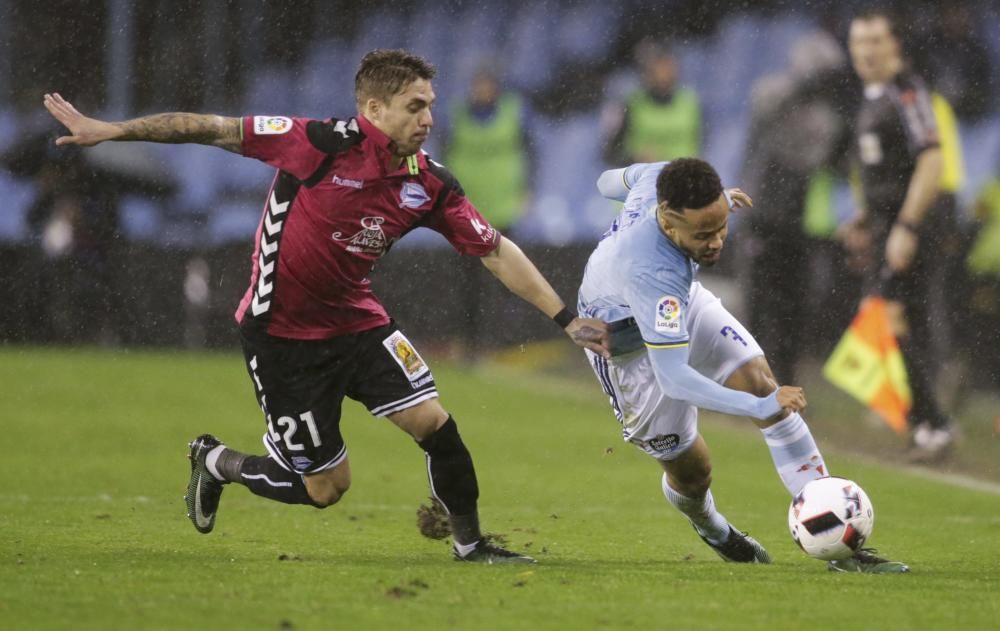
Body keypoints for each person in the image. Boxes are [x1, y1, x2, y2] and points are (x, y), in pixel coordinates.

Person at [43, 49, 608, 565]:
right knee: (326, 489)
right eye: (415, 107)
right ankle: (217, 462)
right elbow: (208, 128)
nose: (429, 120)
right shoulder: (315, 142)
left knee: (435, 423)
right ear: (373, 108)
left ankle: (470, 544)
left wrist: (565, 318)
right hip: (282, 336)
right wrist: (111, 130)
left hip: (360, 323)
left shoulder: (428, 182)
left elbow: (497, 251)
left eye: (431, 107)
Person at [578, 158, 908, 573]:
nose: (716, 242)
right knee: (694, 473)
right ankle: (712, 528)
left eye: (721, 227)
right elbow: (674, 377)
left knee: (759, 380)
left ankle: (838, 544)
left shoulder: (658, 180)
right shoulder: (653, 271)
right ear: (666, 219)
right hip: (627, 349)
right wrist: (758, 408)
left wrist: (715, 208)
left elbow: (605, 180)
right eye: (703, 234)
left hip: (679, 306)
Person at [842, 9, 955, 458]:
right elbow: (889, 173)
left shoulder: (906, 92)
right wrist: (867, 219)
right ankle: (924, 422)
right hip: (889, 224)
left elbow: (932, 161)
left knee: (890, 318)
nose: (866, 51)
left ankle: (935, 423)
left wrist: (905, 227)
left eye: (875, 41)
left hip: (914, 225)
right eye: (859, 42)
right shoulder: (873, 97)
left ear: (895, 46)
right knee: (890, 319)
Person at [739, 31, 855, 384]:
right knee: (759, 304)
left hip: (802, 224)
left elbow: (837, 162)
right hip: (763, 216)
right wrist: (800, 87)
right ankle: (754, 380)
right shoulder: (773, 92)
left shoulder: (830, 116)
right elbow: (763, 112)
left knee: (797, 307)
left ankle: (785, 380)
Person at [441, 66, 534, 358]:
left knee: (508, 276)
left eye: (486, 84)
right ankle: (470, 340)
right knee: (468, 280)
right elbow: (443, 157)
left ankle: (505, 340)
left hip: (504, 207)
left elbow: (531, 152)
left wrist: (527, 189)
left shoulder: (513, 113)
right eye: (478, 84)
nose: (482, 90)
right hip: (468, 209)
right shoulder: (457, 115)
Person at [601, 40, 701, 166]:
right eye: (657, 66)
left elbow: (702, 146)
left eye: (667, 66)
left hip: (682, 181)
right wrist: (635, 158)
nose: (663, 73)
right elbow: (610, 153)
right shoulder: (631, 104)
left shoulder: (690, 104)